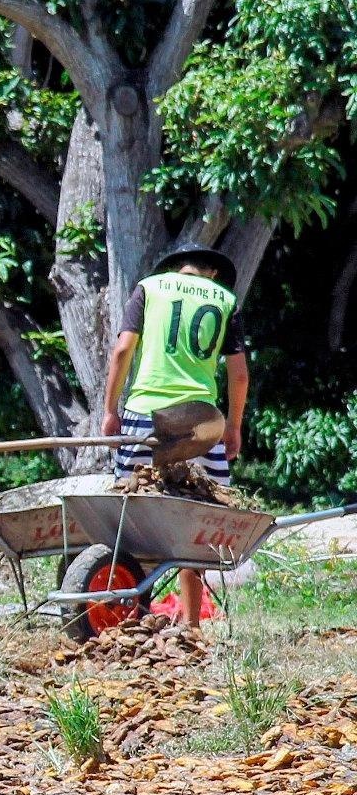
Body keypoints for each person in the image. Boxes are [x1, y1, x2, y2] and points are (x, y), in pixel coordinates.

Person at [101, 241, 248, 628]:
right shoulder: (225, 299)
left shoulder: (150, 287)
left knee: (129, 515)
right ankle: (191, 625)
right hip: (203, 423)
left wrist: (109, 411)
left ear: (177, 267)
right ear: (212, 272)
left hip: (145, 414)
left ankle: (129, 614)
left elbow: (122, 352)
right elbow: (239, 373)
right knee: (198, 521)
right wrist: (232, 426)